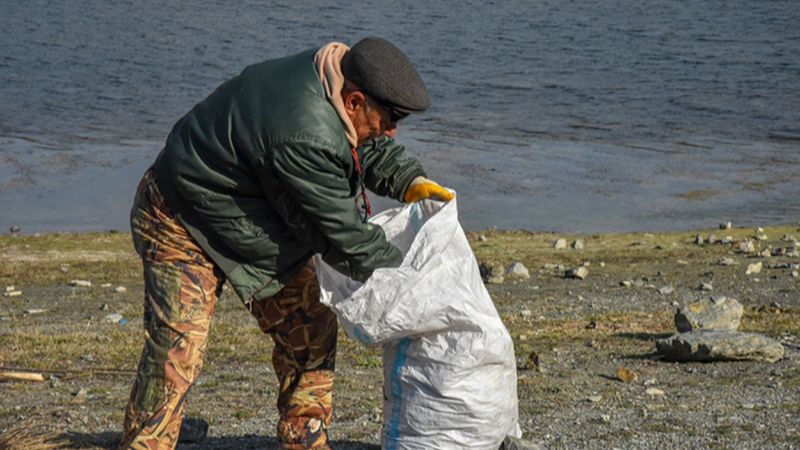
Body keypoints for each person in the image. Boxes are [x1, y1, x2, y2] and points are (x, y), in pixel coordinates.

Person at [119, 37, 454, 450]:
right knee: (177, 349)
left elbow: (359, 146)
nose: (393, 128)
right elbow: (344, 238)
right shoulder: (304, 133)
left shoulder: (334, 79)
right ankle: (146, 443)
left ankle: (303, 439)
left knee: (310, 324)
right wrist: (413, 280)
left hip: (249, 218)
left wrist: (408, 180)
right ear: (353, 100)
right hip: (180, 217)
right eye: (390, 116)